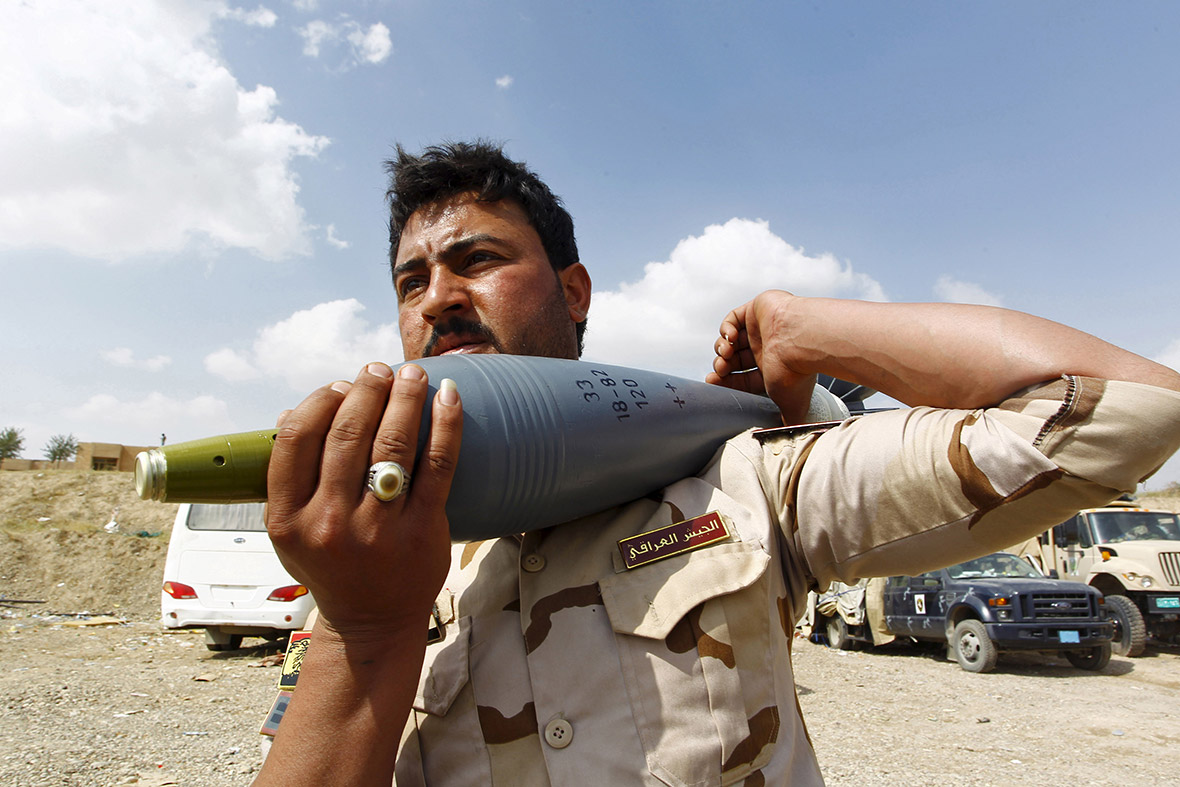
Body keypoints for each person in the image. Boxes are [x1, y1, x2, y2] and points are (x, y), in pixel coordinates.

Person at [254, 141, 1180, 786]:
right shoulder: (367, 555)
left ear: (574, 292)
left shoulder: (736, 484)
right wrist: (363, 632)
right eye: (410, 281)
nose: (439, 298)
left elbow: (1126, 408)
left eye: (476, 259)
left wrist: (810, 329)